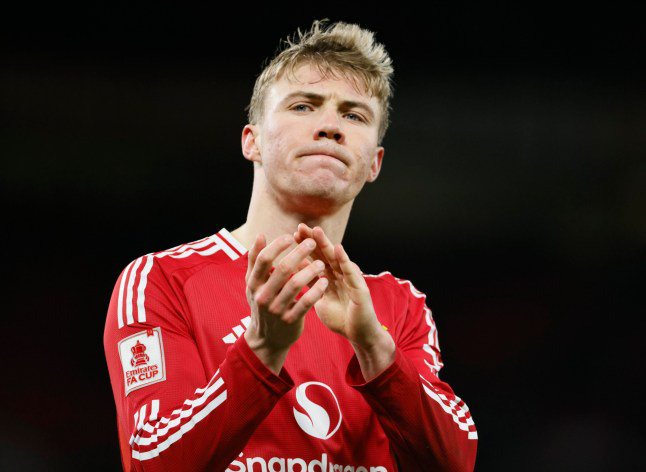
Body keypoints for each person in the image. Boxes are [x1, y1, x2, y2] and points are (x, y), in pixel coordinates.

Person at [104, 19, 477, 471]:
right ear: (252, 140)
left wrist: (373, 348)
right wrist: (263, 349)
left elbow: (454, 463)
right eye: (304, 106)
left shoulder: (399, 307)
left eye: (354, 115)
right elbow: (153, 462)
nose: (331, 127)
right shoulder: (163, 281)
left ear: (374, 162)